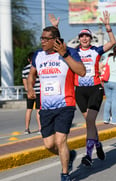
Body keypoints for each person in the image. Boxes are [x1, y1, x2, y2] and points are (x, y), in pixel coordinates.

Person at [49, 11, 116, 167]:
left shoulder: (96, 51)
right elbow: (56, 46)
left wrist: (108, 27)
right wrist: (55, 28)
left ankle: (88, 155)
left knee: (90, 121)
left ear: (90, 39)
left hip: (95, 89)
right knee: (90, 123)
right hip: (79, 90)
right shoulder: (74, 52)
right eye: (82, 36)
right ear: (79, 39)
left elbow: (112, 43)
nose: (84, 38)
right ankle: (98, 144)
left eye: (87, 36)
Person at [27, 26, 86, 181]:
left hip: (65, 104)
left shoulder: (69, 52)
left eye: (46, 39)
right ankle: (70, 155)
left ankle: (65, 174)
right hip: (45, 107)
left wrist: (64, 54)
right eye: (42, 38)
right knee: (49, 145)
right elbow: (31, 75)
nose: (42, 41)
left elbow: (81, 71)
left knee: (60, 141)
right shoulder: (38, 55)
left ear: (55, 40)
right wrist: (29, 88)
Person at [22, 52, 41, 134]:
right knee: (38, 110)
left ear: (28, 60)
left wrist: (28, 90)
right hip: (38, 91)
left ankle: (26, 129)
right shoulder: (39, 67)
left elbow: (25, 83)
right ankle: (40, 128)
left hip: (30, 92)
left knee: (29, 110)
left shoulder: (25, 69)